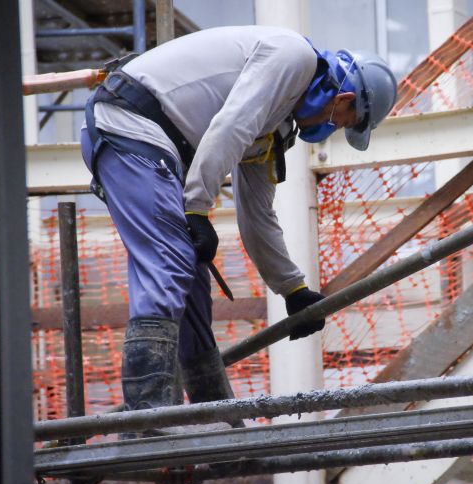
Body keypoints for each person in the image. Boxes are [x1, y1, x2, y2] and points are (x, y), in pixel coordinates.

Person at [80, 25, 397, 419]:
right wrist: (197, 206)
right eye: (345, 122)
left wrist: (292, 289)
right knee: (170, 262)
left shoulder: (278, 121)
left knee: (191, 283)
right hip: (130, 125)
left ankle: (214, 417)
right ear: (345, 99)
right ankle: (148, 419)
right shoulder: (293, 58)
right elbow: (231, 125)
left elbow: (258, 213)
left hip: (151, 142)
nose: (334, 129)